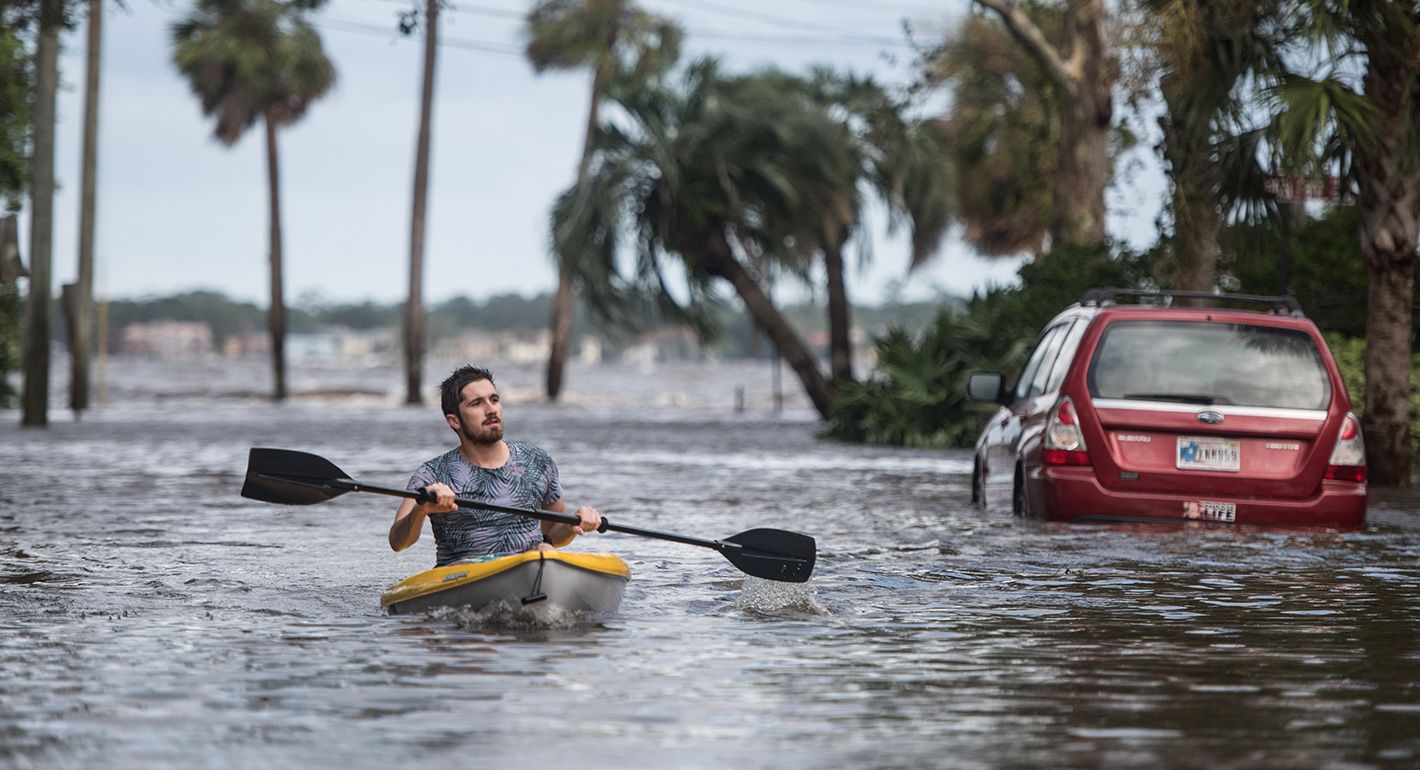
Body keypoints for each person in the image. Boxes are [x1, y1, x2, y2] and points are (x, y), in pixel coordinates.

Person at [389, 365, 602, 565]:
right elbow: (398, 542)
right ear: (454, 421)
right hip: (463, 580)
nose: (491, 409)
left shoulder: (537, 460)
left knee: (546, 550)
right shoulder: (431, 474)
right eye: (477, 403)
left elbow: (551, 533)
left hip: (531, 570)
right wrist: (421, 508)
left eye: (494, 399)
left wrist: (575, 524)